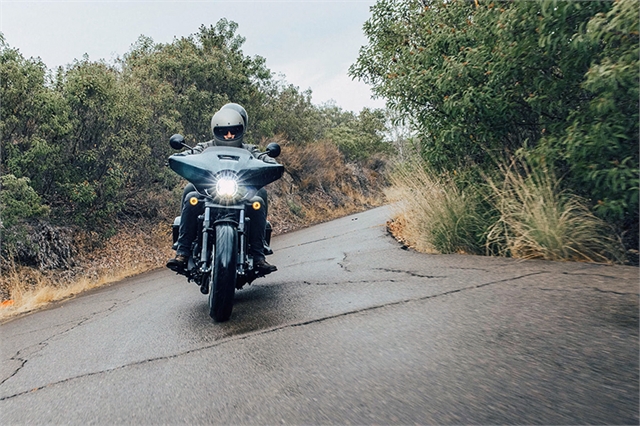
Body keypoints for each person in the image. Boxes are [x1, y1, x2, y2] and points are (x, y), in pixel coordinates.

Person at [166, 103, 277, 275]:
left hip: (240, 193)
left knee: (259, 198)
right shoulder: (204, 147)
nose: (229, 135)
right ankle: (182, 252)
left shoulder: (250, 150)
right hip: (210, 191)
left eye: (234, 131)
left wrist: (269, 165)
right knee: (190, 194)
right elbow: (188, 155)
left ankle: (258, 256)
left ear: (241, 129)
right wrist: (181, 159)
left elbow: (266, 161)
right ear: (215, 130)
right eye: (224, 131)